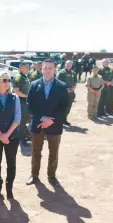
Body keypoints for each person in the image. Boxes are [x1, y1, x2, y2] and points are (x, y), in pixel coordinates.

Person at [25, 58, 69, 187]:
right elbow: (29, 104)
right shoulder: (34, 84)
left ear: (55, 69)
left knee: (53, 152)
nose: (48, 70)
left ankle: (51, 175)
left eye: (50, 67)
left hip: (54, 125)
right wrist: (42, 118)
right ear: (41, 69)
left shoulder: (61, 86)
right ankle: (34, 174)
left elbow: (64, 106)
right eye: (45, 67)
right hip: (38, 123)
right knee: (35, 151)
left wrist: (50, 120)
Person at [0, 72, 21, 200]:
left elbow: (17, 118)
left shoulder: (15, 98)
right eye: (4, 80)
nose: (7, 82)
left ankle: (9, 188)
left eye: (9, 80)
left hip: (12, 137)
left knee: (11, 163)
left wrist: (7, 135)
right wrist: (1, 135)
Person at [12, 61, 31, 144]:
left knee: (25, 120)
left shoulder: (24, 77)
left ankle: (24, 135)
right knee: (22, 121)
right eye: (26, 67)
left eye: (28, 67)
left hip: (25, 101)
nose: (28, 69)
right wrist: (27, 96)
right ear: (21, 68)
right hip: (20, 102)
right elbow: (16, 91)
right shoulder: (18, 77)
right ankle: (21, 139)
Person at [57, 60, 77, 126]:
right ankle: (59, 120)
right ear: (65, 64)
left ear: (72, 65)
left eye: (70, 64)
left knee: (68, 107)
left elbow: (75, 82)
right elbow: (57, 82)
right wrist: (65, 89)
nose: (69, 65)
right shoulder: (61, 72)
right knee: (62, 107)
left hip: (71, 93)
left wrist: (73, 88)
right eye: (67, 64)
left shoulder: (73, 73)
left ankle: (64, 119)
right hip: (63, 93)